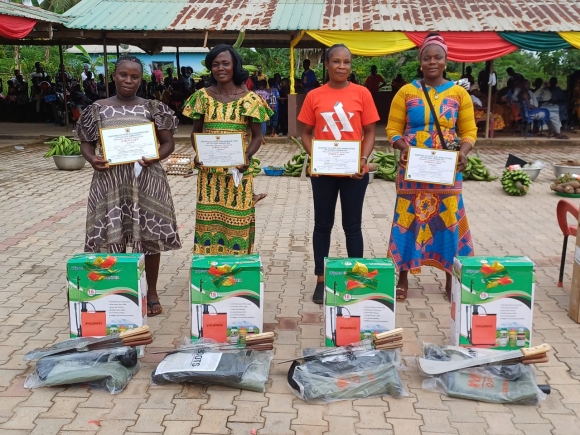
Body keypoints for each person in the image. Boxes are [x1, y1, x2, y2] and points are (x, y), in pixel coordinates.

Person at [74, 55, 181, 317]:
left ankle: (151, 292)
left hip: (146, 179)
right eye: (123, 75)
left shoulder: (152, 107)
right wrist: (91, 159)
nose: (128, 80)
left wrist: (156, 155)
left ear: (140, 79)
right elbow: (86, 142)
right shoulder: (97, 108)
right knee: (114, 233)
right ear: (114, 75)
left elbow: (168, 143)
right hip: (110, 181)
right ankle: (121, 290)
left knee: (149, 235)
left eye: (134, 76)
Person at [386, 33, 477, 302]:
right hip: (412, 168)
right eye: (427, 57)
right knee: (408, 220)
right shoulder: (407, 92)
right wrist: (403, 147)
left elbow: (469, 131)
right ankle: (402, 276)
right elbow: (392, 128)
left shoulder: (459, 94)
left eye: (438, 57)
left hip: (446, 170)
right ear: (420, 61)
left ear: (446, 61)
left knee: (449, 219)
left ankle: (451, 276)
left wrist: (463, 152)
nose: (432, 62)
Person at [298, 44, 380, 304]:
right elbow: (305, 133)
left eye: (346, 62)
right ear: (327, 64)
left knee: (352, 226)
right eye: (336, 61)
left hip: (355, 172)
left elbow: (370, 132)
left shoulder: (363, 94)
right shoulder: (314, 96)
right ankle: (321, 279)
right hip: (324, 173)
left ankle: (356, 277)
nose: (341, 67)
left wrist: (363, 160)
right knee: (323, 225)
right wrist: (316, 159)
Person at [182, 44, 272, 255]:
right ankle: (209, 269)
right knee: (209, 220)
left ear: (235, 66)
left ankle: (237, 267)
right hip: (209, 174)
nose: (220, 68)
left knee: (237, 220)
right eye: (215, 64)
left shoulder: (250, 99)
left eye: (225, 63)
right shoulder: (202, 97)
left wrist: (247, 156)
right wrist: (198, 154)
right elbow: (196, 132)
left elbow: (258, 136)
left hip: (237, 172)